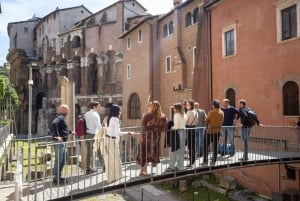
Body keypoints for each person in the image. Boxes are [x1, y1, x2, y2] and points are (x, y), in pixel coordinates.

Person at [100, 104, 130, 183]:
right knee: (116, 158)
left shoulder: (108, 118)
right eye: (120, 110)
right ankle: (118, 175)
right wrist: (128, 133)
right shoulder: (115, 119)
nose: (121, 111)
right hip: (112, 141)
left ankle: (112, 176)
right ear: (117, 111)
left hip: (107, 139)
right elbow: (118, 133)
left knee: (110, 159)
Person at [136, 100, 167, 176]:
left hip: (146, 137)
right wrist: (156, 128)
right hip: (155, 138)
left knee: (144, 153)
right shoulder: (163, 116)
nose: (149, 107)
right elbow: (164, 128)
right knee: (150, 153)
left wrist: (144, 118)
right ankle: (143, 170)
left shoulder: (147, 115)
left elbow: (143, 126)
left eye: (150, 106)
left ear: (153, 107)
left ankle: (144, 170)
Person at [51, 104, 74, 184]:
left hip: (62, 142)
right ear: (63, 110)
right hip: (59, 142)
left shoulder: (62, 118)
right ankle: (56, 178)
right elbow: (54, 124)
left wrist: (71, 132)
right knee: (59, 160)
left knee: (63, 160)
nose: (69, 111)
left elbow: (64, 128)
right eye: (67, 109)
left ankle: (58, 176)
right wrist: (57, 136)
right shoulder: (60, 117)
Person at [84, 101, 104, 174]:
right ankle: (104, 168)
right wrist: (104, 132)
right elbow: (98, 126)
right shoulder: (95, 114)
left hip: (87, 134)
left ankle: (88, 169)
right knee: (99, 151)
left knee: (88, 153)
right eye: (98, 106)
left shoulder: (86, 114)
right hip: (94, 135)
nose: (99, 108)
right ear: (94, 107)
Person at [165, 103, 186, 171]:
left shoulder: (176, 115)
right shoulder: (184, 114)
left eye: (174, 108)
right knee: (181, 150)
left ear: (177, 109)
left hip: (177, 134)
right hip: (183, 132)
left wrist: (171, 128)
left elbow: (176, 127)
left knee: (173, 150)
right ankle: (180, 166)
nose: (173, 109)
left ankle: (171, 166)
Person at [203, 100, 224, 165]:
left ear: (214, 105)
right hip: (218, 131)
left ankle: (205, 160)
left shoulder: (212, 112)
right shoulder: (222, 112)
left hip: (210, 131)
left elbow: (206, 120)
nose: (211, 106)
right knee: (215, 146)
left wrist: (207, 121)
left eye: (212, 104)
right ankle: (214, 159)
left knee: (206, 145)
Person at [185, 99, 198, 168]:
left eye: (187, 104)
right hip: (194, 128)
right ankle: (193, 161)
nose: (186, 106)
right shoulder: (196, 111)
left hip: (189, 129)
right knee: (192, 146)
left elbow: (185, 121)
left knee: (190, 146)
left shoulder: (189, 112)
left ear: (190, 105)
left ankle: (191, 162)